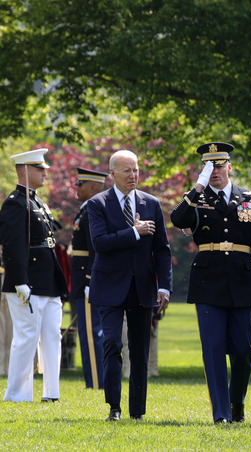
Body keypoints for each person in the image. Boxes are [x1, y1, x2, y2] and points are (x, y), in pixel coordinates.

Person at [171, 142, 251, 424]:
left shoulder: (250, 198)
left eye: (218, 165)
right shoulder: (197, 199)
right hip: (208, 282)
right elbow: (178, 218)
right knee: (213, 350)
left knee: (243, 351)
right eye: (208, 166)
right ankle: (221, 414)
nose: (214, 171)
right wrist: (197, 187)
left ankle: (236, 400)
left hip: (242, 282)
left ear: (229, 166)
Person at [87, 149, 172, 421]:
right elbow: (100, 243)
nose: (133, 175)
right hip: (109, 286)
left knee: (139, 351)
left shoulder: (151, 204)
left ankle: (137, 411)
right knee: (112, 344)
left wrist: (165, 287)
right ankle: (114, 407)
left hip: (143, 288)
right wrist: (134, 231)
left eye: (135, 169)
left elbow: (162, 250)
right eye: (126, 170)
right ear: (112, 174)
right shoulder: (98, 204)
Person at [0, 148, 68, 402]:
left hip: (47, 278)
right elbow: (13, 246)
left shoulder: (37, 201)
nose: (44, 173)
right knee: (27, 336)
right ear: (25, 170)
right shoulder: (14, 203)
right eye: (40, 169)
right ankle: (18, 394)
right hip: (27, 280)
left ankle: (52, 392)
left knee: (52, 335)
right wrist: (20, 280)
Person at [71, 167, 108, 390]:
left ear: (93, 187)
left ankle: (96, 382)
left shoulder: (93, 211)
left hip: (88, 281)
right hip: (82, 281)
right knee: (87, 333)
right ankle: (93, 380)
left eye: (81, 184)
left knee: (93, 334)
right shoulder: (85, 211)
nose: (77, 189)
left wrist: (89, 280)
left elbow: (96, 249)